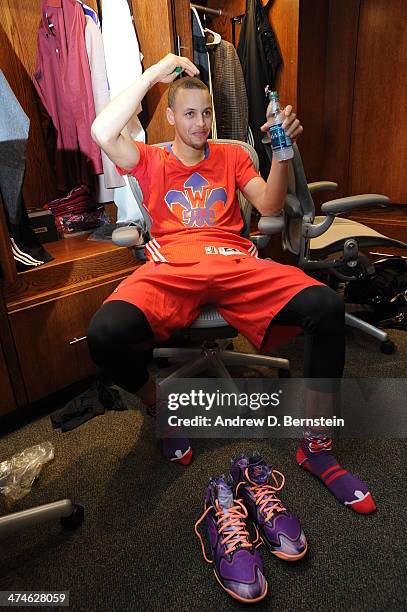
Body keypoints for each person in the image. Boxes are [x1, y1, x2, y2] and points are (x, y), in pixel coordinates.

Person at [87, 54, 375, 514]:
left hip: (235, 261)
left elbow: (271, 203)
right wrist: (154, 72)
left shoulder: (232, 155)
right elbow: (103, 132)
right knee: (104, 334)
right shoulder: (150, 159)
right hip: (172, 269)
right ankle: (158, 406)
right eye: (189, 114)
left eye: (207, 114)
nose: (201, 124)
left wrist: (282, 153)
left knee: (325, 306)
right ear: (170, 116)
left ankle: (316, 446)